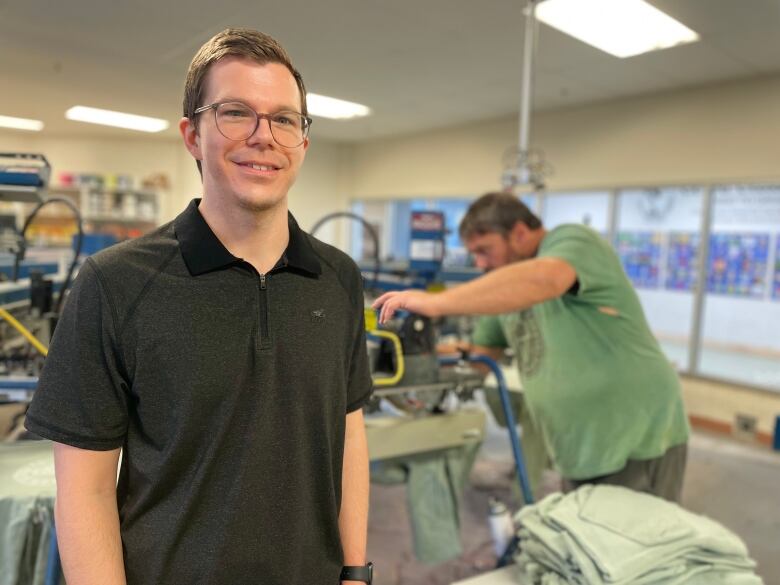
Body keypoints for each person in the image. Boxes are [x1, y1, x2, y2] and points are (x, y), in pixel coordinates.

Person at [25, 28, 373, 585]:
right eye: (236, 113)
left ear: (303, 140)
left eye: (285, 119)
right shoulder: (114, 284)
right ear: (192, 134)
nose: (265, 136)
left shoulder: (338, 279)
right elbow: (85, 488)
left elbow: (349, 429)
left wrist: (356, 571)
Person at [374, 192, 689, 502]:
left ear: (520, 233)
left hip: (634, 433)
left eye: (485, 250)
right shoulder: (504, 293)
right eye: (474, 254)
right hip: (578, 443)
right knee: (589, 540)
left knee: (631, 543)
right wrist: (413, 359)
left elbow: (547, 279)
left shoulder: (574, 242)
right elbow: (482, 357)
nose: (480, 263)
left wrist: (437, 303)